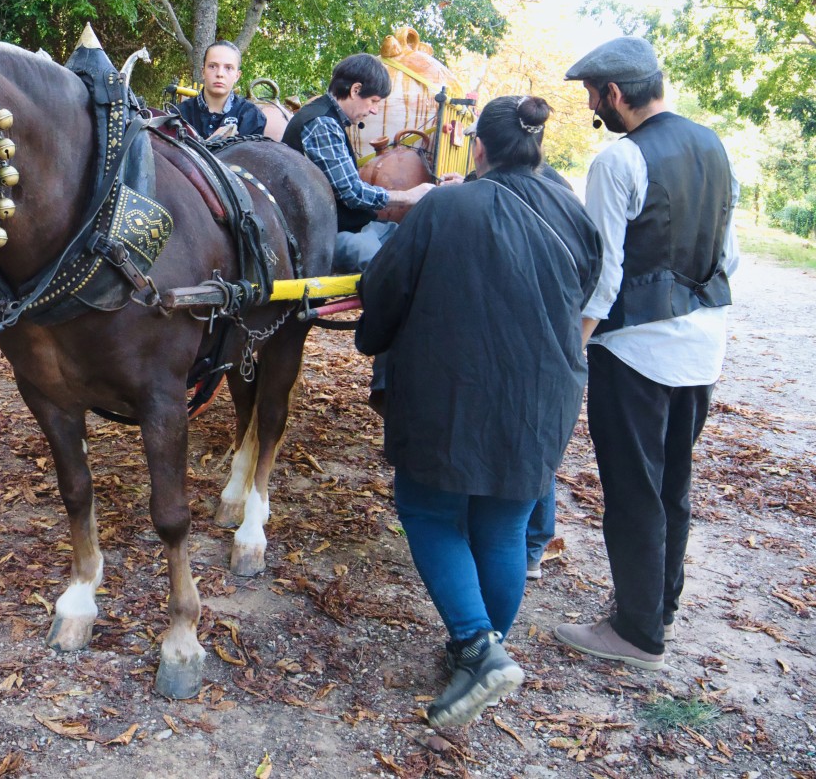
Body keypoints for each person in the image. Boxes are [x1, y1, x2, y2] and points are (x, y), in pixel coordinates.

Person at [355, 96, 602, 728]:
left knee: (429, 510)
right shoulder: (573, 214)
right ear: (538, 147)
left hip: (453, 391)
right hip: (544, 396)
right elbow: (582, 297)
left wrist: (374, 336)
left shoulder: (445, 205)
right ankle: (484, 651)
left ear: (480, 150)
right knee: (502, 526)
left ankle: (476, 646)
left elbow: (383, 289)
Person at [553, 36, 739, 672]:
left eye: (591, 96)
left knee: (633, 490)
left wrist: (570, 352)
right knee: (673, 483)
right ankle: (661, 604)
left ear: (614, 93)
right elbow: (728, 255)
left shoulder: (619, 160)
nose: (591, 108)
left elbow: (603, 277)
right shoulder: (714, 145)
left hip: (634, 352)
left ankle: (636, 632)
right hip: (703, 349)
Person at [281, 53, 434, 273]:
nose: (374, 110)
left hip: (347, 225)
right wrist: (409, 196)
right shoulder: (322, 123)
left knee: (414, 241)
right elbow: (352, 193)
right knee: (391, 270)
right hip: (322, 234)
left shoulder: (328, 118)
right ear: (355, 90)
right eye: (373, 101)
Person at [176, 40, 267, 140]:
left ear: (237, 75)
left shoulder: (252, 117)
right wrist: (214, 140)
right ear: (203, 72)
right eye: (212, 66)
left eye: (228, 68)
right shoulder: (178, 116)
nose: (220, 74)